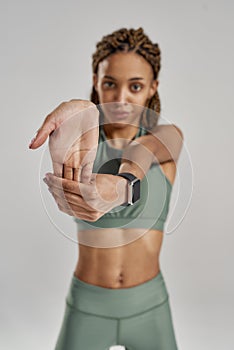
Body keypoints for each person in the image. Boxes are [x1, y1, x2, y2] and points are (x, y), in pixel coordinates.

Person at [29, 27, 184, 350]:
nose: (121, 98)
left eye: (136, 86)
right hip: (88, 307)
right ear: (96, 83)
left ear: (152, 88)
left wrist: (123, 184)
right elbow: (74, 130)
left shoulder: (166, 138)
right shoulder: (80, 149)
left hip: (151, 308)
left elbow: (144, 150)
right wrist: (77, 113)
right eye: (110, 84)